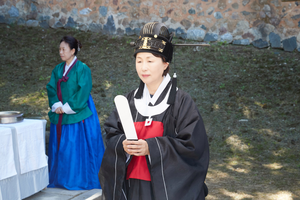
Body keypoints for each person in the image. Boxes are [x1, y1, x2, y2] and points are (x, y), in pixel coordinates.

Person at [99, 22, 209, 200]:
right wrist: (123, 145)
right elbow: (111, 134)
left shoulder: (181, 102)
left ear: (165, 63)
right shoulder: (128, 101)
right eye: (139, 60)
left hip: (165, 189)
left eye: (150, 61)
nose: (143, 67)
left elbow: (193, 148)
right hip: (132, 186)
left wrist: (152, 148)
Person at [47, 35, 105, 190]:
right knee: (61, 148)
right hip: (60, 114)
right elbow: (51, 88)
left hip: (78, 114)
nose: (60, 52)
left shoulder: (82, 69)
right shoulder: (57, 69)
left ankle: (78, 180)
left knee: (76, 148)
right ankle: (59, 179)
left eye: (63, 49)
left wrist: (66, 107)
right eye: (59, 49)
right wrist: (57, 105)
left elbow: (83, 91)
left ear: (73, 51)